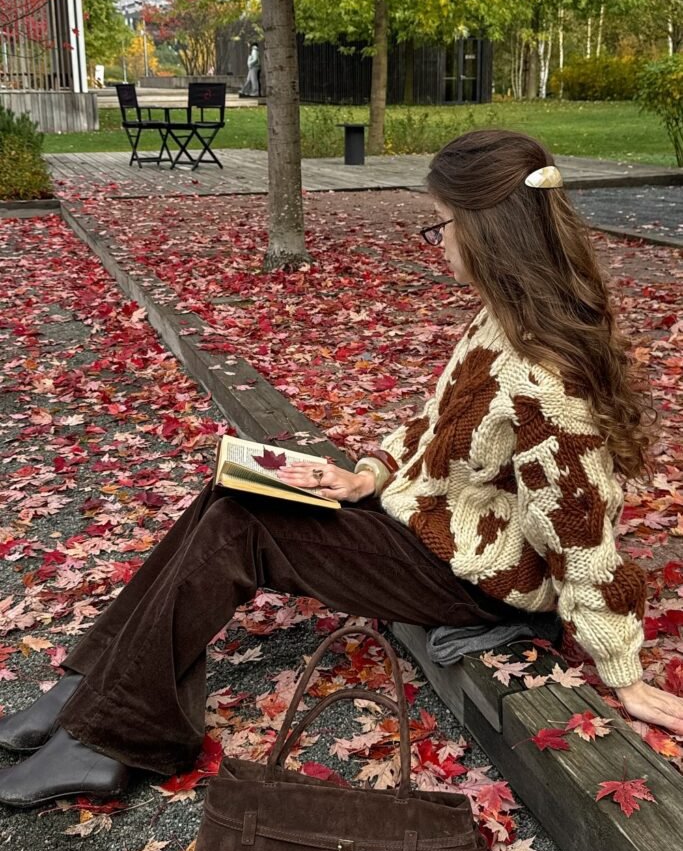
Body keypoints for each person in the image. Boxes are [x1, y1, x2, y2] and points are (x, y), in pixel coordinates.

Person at [1, 129, 682, 808]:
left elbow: (580, 529)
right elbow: (435, 426)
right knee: (232, 490)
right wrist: (369, 473)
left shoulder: (544, 371)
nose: (437, 242)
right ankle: (88, 692)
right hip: (432, 528)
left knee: (243, 525)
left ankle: (107, 740)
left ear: (484, 230)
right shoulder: (504, 320)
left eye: (440, 226)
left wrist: (620, 667)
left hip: (476, 579)